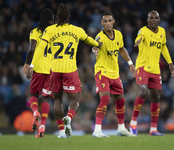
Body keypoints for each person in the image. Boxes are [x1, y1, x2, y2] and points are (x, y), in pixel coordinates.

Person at [31, 3, 102, 138]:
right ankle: (69, 117)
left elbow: (40, 49)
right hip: (70, 70)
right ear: (69, 17)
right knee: (74, 101)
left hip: (55, 70)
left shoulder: (50, 30)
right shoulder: (77, 30)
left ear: (57, 17)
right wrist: (98, 44)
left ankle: (62, 132)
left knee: (57, 100)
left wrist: (32, 66)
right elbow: (89, 41)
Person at [129, 10, 174, 136]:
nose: (154, 20)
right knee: (143, 91)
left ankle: (153, 129)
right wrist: (138, 41)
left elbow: (164, 47)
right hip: (142, 67)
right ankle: (133, 123)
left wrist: (170, 63)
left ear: (159, 20)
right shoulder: (143, 31)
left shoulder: (162, 31)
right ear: (147, 20)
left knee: (156, 97)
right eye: (151, 18)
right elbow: (140, 36)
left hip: (155, 70)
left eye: (156, 18)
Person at [91, 12, 136, 137]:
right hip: (102, 71)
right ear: (101, 23)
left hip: (114, 73)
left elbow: (121, 49)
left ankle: (121, 128)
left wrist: (130, 64)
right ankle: (97, 130)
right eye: (105, 21)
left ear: (113, 21)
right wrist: (95, 49)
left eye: (109, 21)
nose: (107, 23)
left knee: (121, 100)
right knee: (105, 98)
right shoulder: (99, 37)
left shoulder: (119, 35)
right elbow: (95, 46)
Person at [22, 8, 54, 138]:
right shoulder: (54, 32)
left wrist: (27, 64)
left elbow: (32, 49)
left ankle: (35, 112)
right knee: (46, 97)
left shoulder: (34, 32)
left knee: (33, 94)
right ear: (52, 19)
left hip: (38, 68)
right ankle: (42, 126)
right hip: (52, 69)